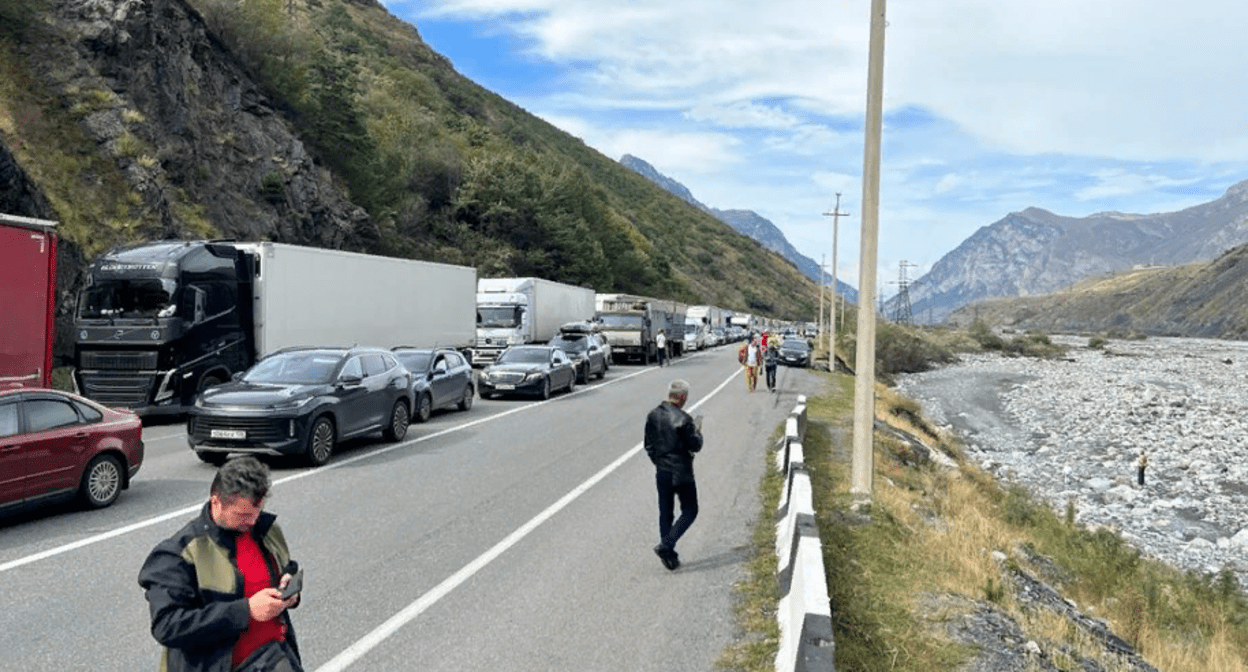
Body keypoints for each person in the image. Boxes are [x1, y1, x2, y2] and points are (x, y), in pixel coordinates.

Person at [139, 457, 303, 672]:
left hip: (275, 657)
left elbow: (286, 566)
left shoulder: (267, 530)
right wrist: (246, 611)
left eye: (257, 512)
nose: (252, 521)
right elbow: (168, 626)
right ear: (216, 501)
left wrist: (289, 588)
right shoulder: (178, 554)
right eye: (243, 514)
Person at [645, 379, 703, 570]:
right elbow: (695, 445)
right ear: (683, 397)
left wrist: (659, 462)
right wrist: (698, 433)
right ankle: (666, 546)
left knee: (665, 512)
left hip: (662, 471)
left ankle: (669, 556)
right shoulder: (684, 419)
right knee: (690, 510)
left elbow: (648, 445)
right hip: (682, 471)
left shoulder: (653, 415)